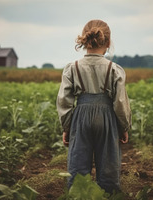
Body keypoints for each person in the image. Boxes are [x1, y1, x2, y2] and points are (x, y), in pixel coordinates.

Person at [56, 19, 131, 194]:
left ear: (85, 40)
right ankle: (108, 194)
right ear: (108, 42)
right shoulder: (114, 69)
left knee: (78, 165)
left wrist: (67, 126)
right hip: (106, 118)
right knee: (108, 165)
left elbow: (64, 101)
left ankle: (78, 195)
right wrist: (124, 126)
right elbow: (120, 102)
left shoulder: (72, 68)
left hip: (81, 117)